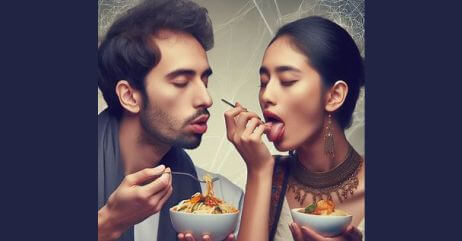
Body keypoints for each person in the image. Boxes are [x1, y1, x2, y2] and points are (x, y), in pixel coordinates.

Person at [97, 1, 243, 241]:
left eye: (204, 81)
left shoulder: (221, 203)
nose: (206, 98)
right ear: (129, 96)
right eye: (181, 82)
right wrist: (110, 222)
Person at [224, 16, 365, 241]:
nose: (266, 96)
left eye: (288, 80)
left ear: (334, 96)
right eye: (263, 82)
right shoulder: (269, 178)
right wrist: (259, 171)